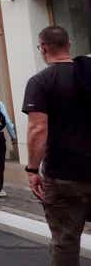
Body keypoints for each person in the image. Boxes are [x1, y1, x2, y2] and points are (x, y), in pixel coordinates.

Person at [23, 26, 91, 265]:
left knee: (66, 240)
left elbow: (38, 129)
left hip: (65, 174)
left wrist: (32, 169)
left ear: (43, 48)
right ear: (69, 44)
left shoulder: (41, 81)